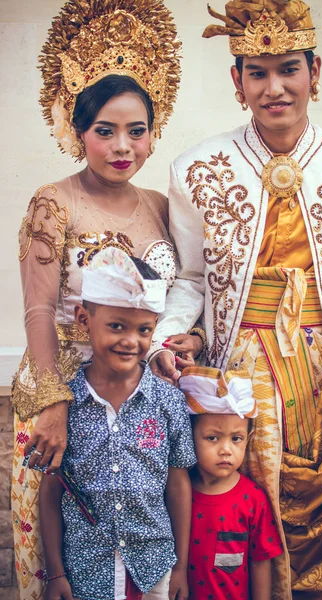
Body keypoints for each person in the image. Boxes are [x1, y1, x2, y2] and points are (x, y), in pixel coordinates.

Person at [150, 1, 322, 597]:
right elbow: (189, 277)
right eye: (257, 72)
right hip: (241, 372)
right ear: (237, 83)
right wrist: (173, 334)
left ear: (316, 71)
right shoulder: (197, 169)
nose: (275, 87)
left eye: (288, 68)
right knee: (246, 508)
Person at [11, 1, 195, 598]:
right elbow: (39, 309)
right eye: (105, 131)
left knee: (142, 541)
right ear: (77, 130)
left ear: (153, 129)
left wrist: (171, 344)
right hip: (63, 385)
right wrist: (53, 403)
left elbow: (171, 297)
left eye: (137, 130)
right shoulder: (52, 202)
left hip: (136, 391)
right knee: (60, 551)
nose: (123, 146)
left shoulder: (160, 207)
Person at [38, 247, 196, 600]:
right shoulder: (67, 405)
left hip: (154, 567)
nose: (130, 340)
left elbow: (178, 484)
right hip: (84, 569)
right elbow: (51, 489)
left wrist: (181, 567)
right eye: (116, 326)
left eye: (144, 330)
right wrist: (55, 573)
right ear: (83, 319)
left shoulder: (168, 401)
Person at [179, 367, 283, 600]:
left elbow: (260, 562)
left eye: (236, 439)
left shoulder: (253, 498)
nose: (226, 450)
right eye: (212, 438)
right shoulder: (178, 493)